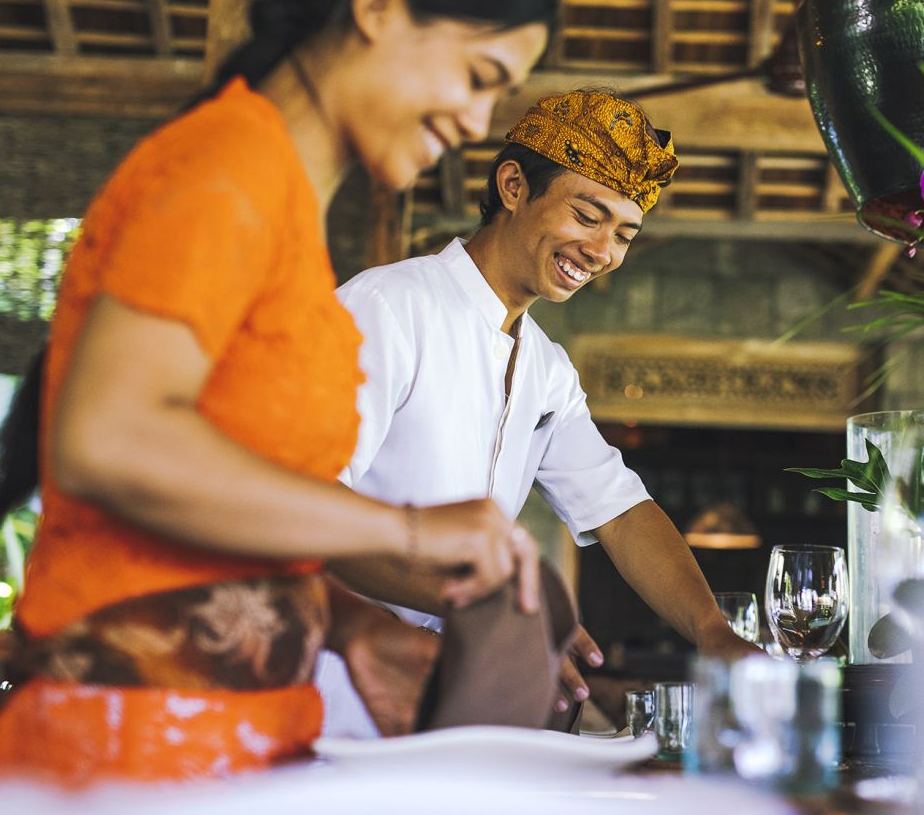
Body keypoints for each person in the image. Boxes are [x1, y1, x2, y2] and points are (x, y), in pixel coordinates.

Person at [0, 0, 560, 786]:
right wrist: (406, 532)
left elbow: (217, 514)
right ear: (379, 5)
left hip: (231, 747)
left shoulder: (287, 214)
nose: (480, 120)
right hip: (126, 753)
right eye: (480, 77)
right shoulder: (229, 167)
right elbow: (111, 440)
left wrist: (349, 622)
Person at [317, 89, 761, 738]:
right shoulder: (387, 308)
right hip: (338, 690)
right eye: (589, 215)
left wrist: (713, 632)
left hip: (450, 704)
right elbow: (308, 508)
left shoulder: (547, 369)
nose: (604, 250)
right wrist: (501, 610)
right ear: (514, 185)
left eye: (624, 234)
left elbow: (622, 510)